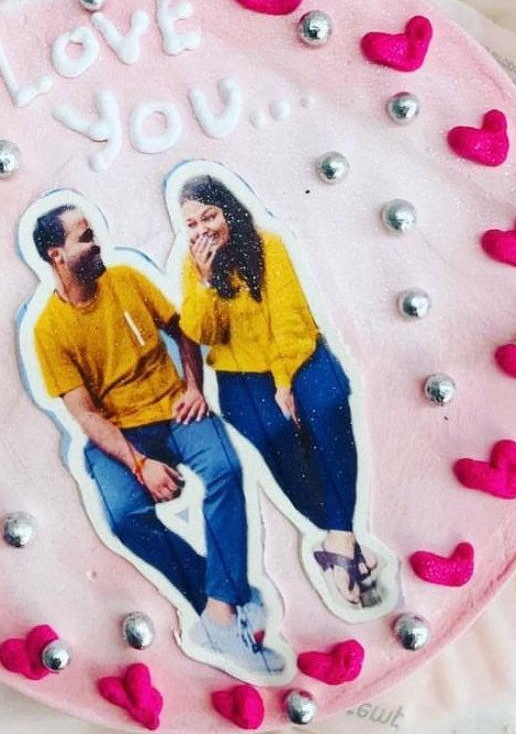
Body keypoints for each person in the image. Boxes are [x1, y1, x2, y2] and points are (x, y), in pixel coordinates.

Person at [30, 203, 284, 677]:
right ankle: (220, 600)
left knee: (226, 471)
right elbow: (83, 413)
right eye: (84, 237)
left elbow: (182, 332)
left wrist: (193, 387)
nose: (96, 241)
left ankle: (222, 614)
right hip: (119, 432)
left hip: (175, 408)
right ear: (57, 255)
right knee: (125, 518)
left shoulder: (126, 279)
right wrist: (138, 464)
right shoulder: (50, 329)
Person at [173, 174, 386, 612]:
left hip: (299, 357)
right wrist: (207, 282)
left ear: (227, 209)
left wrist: (285, 380)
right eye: (191, 224)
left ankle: (341, 547)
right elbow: (202, 333)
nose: (201, 231)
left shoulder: (267, 244)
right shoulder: (193, 268)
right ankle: (341, 544)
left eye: (208, 216)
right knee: (287, 461)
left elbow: (288, 318)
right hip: (240, 378)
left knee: (326, 413)